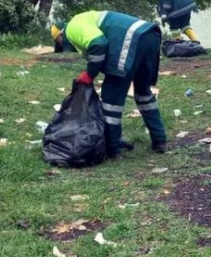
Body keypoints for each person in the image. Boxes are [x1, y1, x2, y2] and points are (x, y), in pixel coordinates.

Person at [51, 11, 167, 156]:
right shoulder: (88, 17)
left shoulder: (74, 26)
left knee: (111, 98)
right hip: (150, 35)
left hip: (129, 40)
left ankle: (112, 148)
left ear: (61, 35)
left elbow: (98, 44)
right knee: (143, 93)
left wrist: (89, 74)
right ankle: (159, 140)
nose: (60, 46)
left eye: (58, 42)